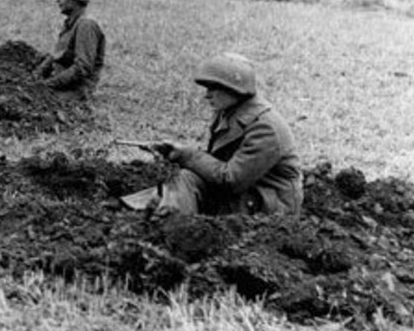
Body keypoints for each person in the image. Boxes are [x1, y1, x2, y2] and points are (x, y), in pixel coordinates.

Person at [122, 53, 303, 216]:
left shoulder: (265, 128)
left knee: (186, 180)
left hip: (268, 208)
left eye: (214, 88)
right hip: (245, 194)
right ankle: (170, 219)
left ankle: (175, 227)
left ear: (235, 89)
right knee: (185, 180)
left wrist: (188, 155)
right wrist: (176, 151)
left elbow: (231, 180)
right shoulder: (229, 112)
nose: (207, 95)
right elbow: (219, 161)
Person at [33, 0, 105, 100]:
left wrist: (48, 84)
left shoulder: (86, 25)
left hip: (77, 90)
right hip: (63, 80)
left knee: (35, 99)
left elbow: (81, 69)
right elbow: (57, 54)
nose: (58, 0)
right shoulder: (71, 22)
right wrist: (38, 73)